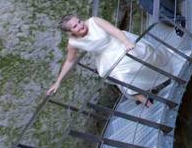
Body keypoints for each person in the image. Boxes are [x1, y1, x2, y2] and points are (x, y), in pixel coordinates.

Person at [46, 14, 180, 105]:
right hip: (106, 58)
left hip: (118, 42)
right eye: (75, 27)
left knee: (142, 54)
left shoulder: (94, 21)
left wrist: (126, 42)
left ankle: (164, 72)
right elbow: (70, 61)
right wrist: (58, 81)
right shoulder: (73, 43)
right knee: (122, 78)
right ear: (71, 32)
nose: (80, 26)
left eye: (79, 22)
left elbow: (114, 30)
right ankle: (145, 101)